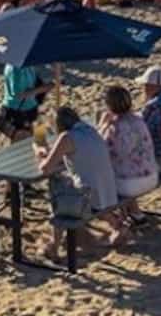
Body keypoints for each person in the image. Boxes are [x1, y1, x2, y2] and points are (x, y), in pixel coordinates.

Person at [35, 107, 124, 257]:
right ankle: (117, 225)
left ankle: (54, 247)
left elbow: (45, 169)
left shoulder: (67, 137)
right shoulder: (90, 130)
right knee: (91, 188)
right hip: (108, 193)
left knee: (58, 192)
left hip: (88, 200)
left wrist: (41, 154)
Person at [97, 86, 158, 222]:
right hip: (151, 176)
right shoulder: (139, 120)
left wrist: (102, 125)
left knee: (102, 179)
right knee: (124, 167)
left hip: (130, 184)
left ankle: (117, 218)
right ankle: (134, 213)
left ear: (109, 106)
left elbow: (97, 149)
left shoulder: (114, 128)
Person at [0, 64, 52, 141]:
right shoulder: (17, 69)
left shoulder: (23, 65)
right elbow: (20, 95)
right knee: (23, 142)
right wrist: (45, 88)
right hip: (19, 112)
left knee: (33, 139)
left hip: (25, 108)